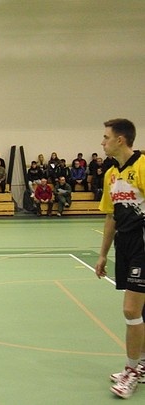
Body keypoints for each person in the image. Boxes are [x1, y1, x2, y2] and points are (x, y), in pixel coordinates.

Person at [94, 118, 145, 399]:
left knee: (130, 310)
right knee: (141, 310)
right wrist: (103, 254)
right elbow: (111, 216)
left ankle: (131, 371)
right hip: (124, 245)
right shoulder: (111, 174)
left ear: (120, 140)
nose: (102, 142)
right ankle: (143, 363)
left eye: (106, 137)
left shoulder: (143, 166)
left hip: (143, 245)